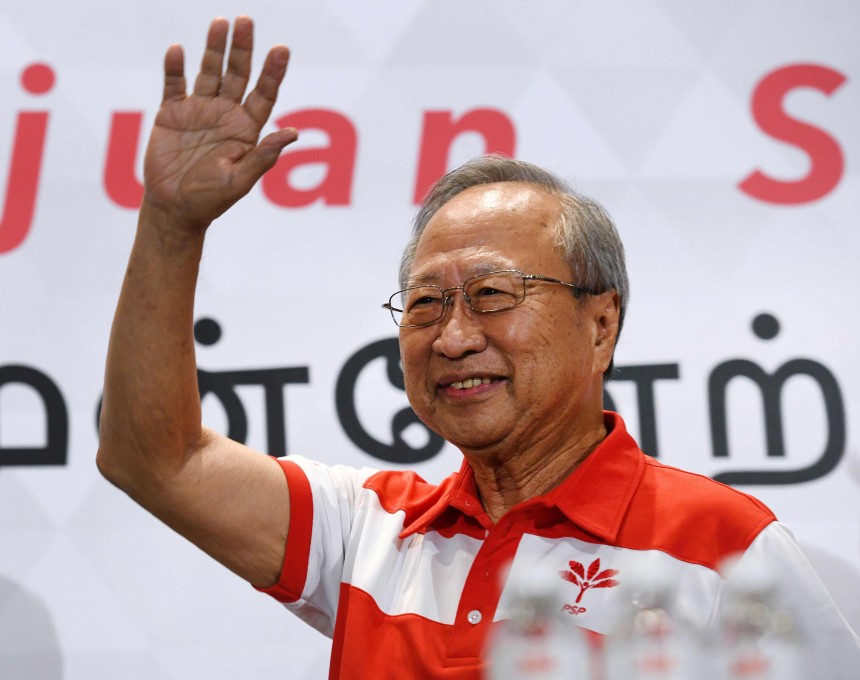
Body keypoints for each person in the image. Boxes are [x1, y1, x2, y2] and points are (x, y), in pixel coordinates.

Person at [96, 15, 860, 679]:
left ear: (601, 325)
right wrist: (171, 226)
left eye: (492, 295)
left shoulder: (729, 548)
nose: (454, 336)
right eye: (426, 302)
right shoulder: (369, 533)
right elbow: (155, 459)